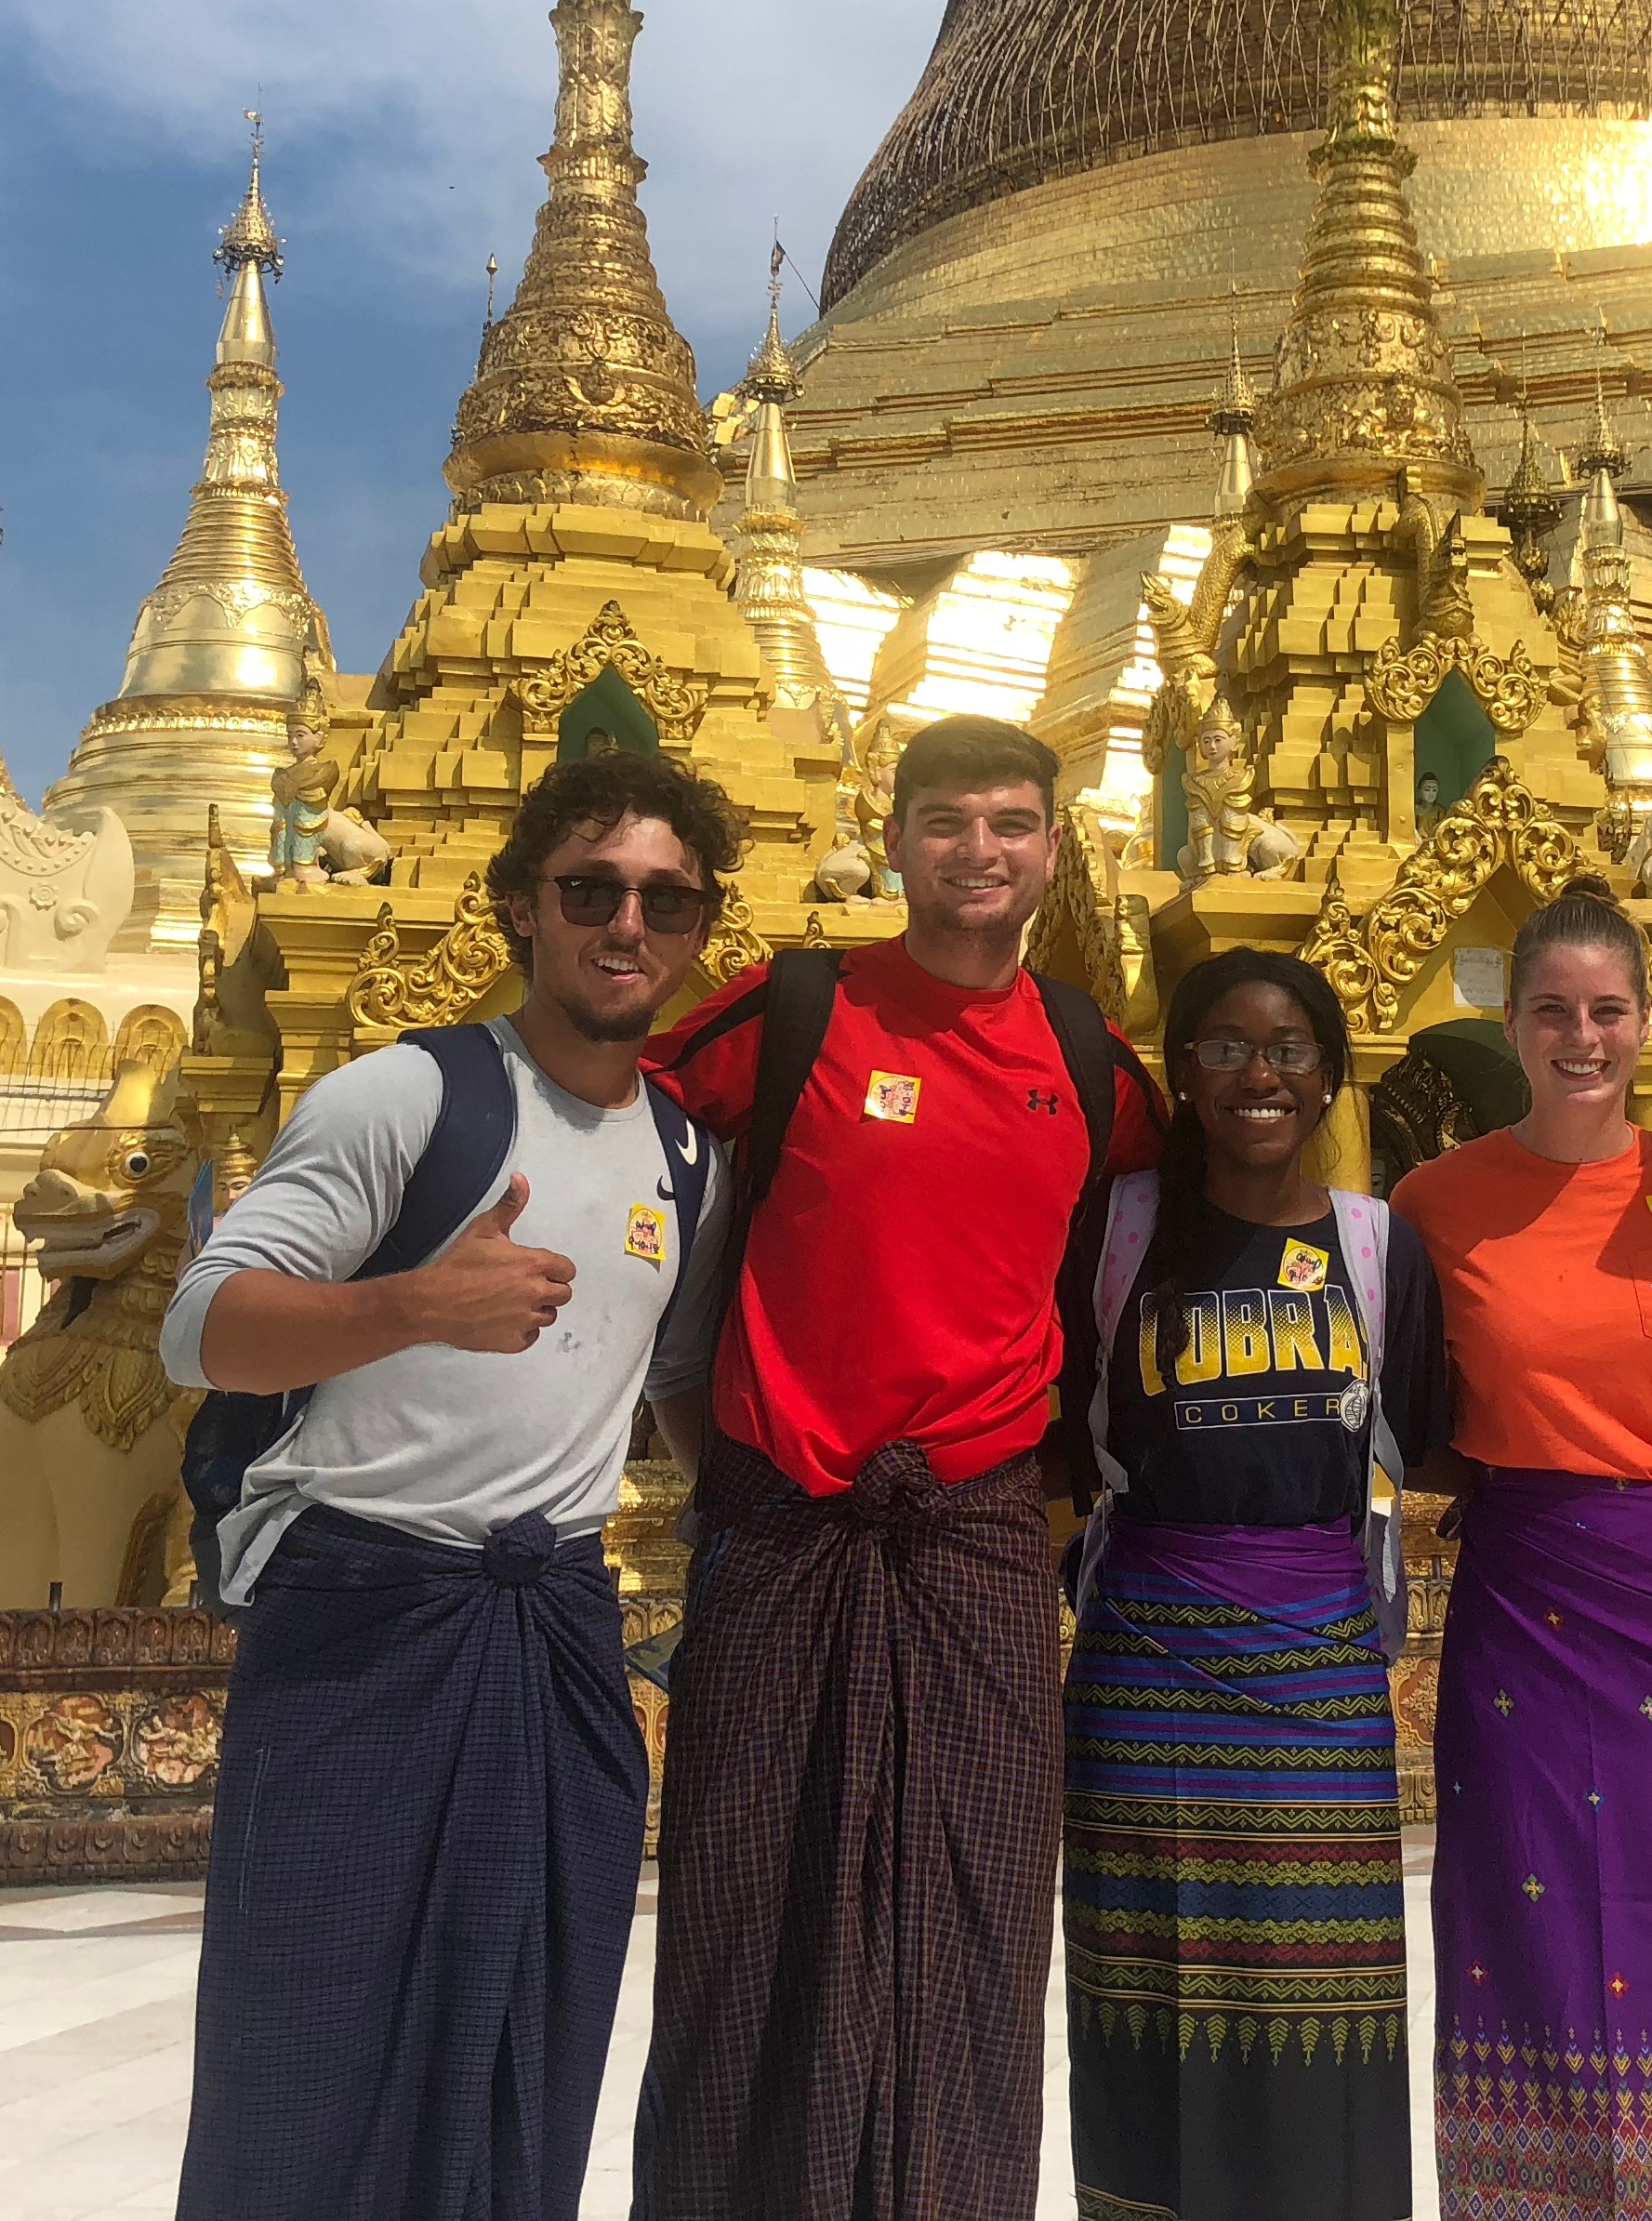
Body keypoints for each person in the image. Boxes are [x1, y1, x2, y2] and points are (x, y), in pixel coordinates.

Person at [161, 747, 735, 2221]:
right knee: (309, 2043)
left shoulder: (686, 1157)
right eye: (591, 889)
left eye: (666, 901)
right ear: (521, 909)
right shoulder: (404, 1097)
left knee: (524, 2037)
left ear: (699, 929)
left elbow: (669, 1381)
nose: (628, 926)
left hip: (552, 1630)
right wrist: (413, 1304)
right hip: (365, 1612)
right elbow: (204, 1328)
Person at [632, 714, 1163, 2221]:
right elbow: (626, 1135)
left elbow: (1182, 1224)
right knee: (748, 1913)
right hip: (788, 1520)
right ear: (895, 836)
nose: (978, 853)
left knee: (978, 1919)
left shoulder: (1089, 1062)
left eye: (1009, 824)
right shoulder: (793, 1012)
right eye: (945, 822)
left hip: (981, 1532)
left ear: (1055, 850)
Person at [1394, 875, 1652, 2219]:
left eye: (1609, 1011)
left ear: (1646, 1021)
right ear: (1510, 1023)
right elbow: (1405, 1414)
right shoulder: (1433, 1205)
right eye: (1553, 1012)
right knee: (1532, 1932)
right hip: (1531, 1601)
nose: (1584, 1038)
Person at [1060, 948, 1448, 2221]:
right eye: (1223, 1047)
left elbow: (1429, 1438)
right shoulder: (1117, 1231)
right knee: (1153, 1995)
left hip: (1318, 1673)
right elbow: (1058, 1433)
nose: (1259, 1074)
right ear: (1181, 1073)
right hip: (1145, 1671)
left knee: (1318, 2001)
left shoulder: (1382, 1249)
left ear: (1330, 1073)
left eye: (1288, 1048)